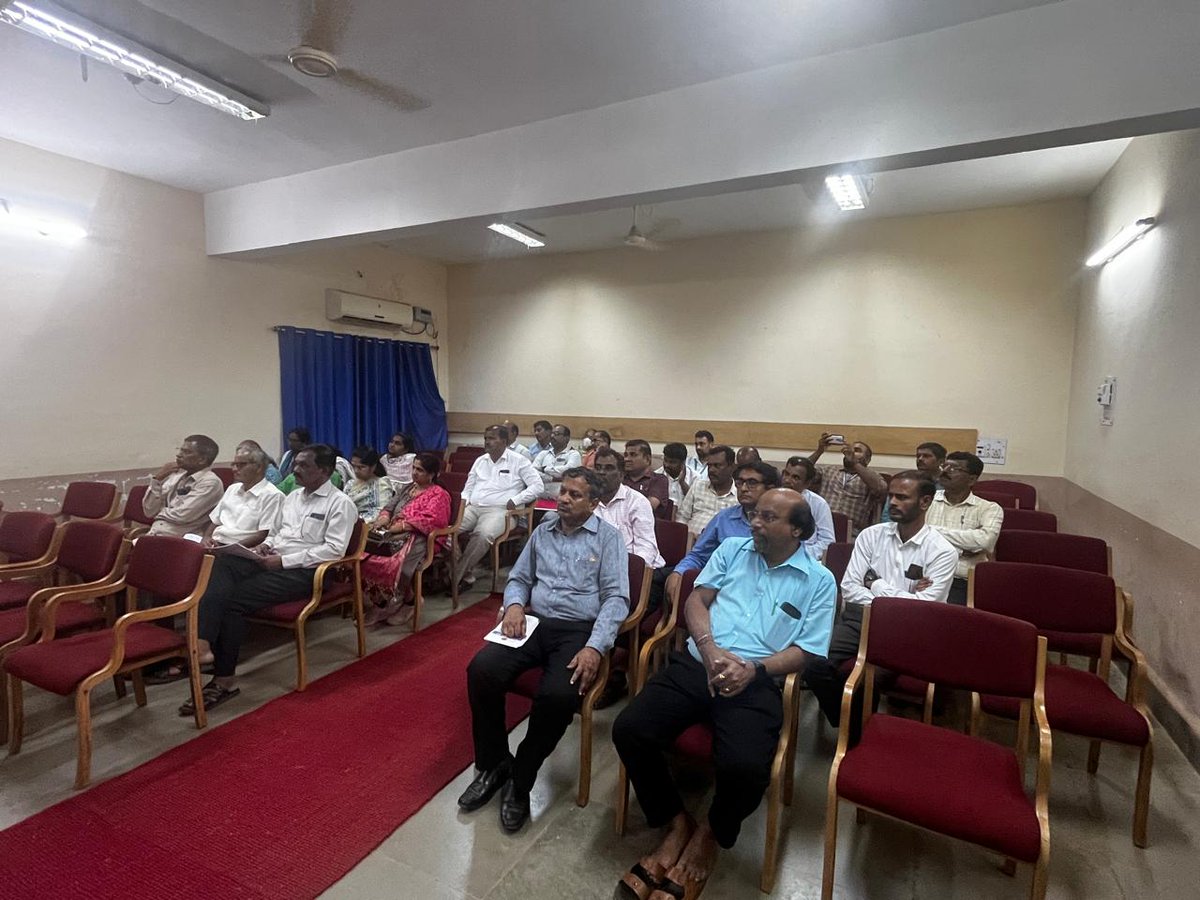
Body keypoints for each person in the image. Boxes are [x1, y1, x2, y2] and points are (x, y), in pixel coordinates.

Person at [612, 489, 835, 900]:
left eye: (768, 518)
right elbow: (697, 600)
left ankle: (711, 833)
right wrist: (710, 648)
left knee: (746, 768)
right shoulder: (733, 549)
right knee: (629, 729)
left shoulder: (819, 581)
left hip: (756, 680)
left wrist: (755, 669)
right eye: (755, 515)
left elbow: (808, 650)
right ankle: (675, 822)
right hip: (698, 663)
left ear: (798, 530)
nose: (755, 523)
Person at [460, 468, 629, 833]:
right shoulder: (543, 530)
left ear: (594, 503)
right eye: (563, 491)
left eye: (575, 495)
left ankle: (521, 777)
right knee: (482, 670)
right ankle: (494, 763)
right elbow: (520, 578)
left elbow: (617, 598)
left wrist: (595, 647)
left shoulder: (608, 539)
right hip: (534, 622)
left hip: (578, 630)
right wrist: (515, 605)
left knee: (557, 696)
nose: (564, 499)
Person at [180, 444, 357, 714]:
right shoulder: (293, 497)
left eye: (304, 465)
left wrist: (284, 561)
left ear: (324, 471)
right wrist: (266, 546)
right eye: (295, 463)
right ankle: (204, 643)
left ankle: (222, 676)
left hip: (307, 572)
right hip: (273, 560)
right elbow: (278, 534)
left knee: (232, 601)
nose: (295, 469)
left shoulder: (340, 503)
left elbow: (334, 550)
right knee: (221, 563)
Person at [803, 471, 959, 730]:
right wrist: (904, 597)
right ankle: (848, 725)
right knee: (813, 663)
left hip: (907, 631)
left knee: (868, 680)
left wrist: (875, 584)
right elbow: (850, 588)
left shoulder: (942, 551)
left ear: (925, 502)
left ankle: (855, 735)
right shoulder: (870, 536)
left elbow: (922, 607)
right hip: (858, 621)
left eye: (902, 497)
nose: (893, 502)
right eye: (891, 496)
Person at [361, 451, 453, 626]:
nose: (414, 473)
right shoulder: (408, 488)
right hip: (392, 534)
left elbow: (433, 521)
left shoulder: (439, 494)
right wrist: (384, 518)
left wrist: (403, 526)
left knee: (398, 567)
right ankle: (382, 602)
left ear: (432, 474)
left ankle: (409, 602)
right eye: (414, 468)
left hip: (421, 537)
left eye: (420, 470)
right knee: (366, 559)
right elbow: (389, 507)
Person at [454, 425, 544, 590]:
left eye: (492, 438)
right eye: (485, 438)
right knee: (446, 532)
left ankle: (454, 578)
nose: (487, 442)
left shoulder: (518, 460)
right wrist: (463, 504)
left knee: (482, 535)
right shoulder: (480, 461)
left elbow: (538, 486)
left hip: (501, 512)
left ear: (504, 441)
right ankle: (464, 575)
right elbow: (468, 488)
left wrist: (517, 499)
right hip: (473, 508)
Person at [924, 451, 1004, 606]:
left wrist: (930, 531)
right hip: (925, 575)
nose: (945, 471)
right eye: (944, 466)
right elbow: (914, 535)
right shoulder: (927, 500)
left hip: (962, 581)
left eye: (953, 468)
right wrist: (963, 549)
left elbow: (985, 541)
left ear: (972, 479)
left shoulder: (989, 508)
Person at [808, 432, 888, 538]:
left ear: (867, 460)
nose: (851, 452)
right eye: (850, 449)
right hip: (819, 528)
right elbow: (802, 471)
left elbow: (880, 488)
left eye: (857, 450)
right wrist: (819, 451)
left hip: (851, 533)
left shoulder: (872, 477)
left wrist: (855, 463)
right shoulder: (828, 470)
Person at [143, 434, 224, 537]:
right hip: (156, 533)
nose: (179, 455)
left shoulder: (210, 482)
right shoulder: (177, 476)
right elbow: (149, 511)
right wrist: (158, 478)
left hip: (181, 539)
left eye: (186, 452)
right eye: (180, 450)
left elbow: (181, 515)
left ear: (202, 460)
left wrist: (158, 512)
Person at [205, 445, 284, 549]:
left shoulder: (273, 495)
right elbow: (215, 521)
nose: (234, 469)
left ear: (259, 467)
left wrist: (230, 548)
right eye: (234, 464)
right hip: (217, 543)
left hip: (242, 548)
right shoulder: (232, 488)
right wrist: (206, 537)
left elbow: (263, 534)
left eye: (241, 465)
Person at [779, 456, 836, 559]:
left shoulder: (818, 504)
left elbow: (827, 542)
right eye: (786, 474)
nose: (787, 480)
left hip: (807, 558)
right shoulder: (770, 499)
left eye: (795, 478)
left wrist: (800, 555)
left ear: (807, 483)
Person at [675, 445, 738, 537]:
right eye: (709, 465)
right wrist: (684, 536)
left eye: (717, 466)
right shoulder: (698, 485)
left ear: (731, 467)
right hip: (689, 541)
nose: (711, 470)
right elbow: (682, 517)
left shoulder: (739, 495)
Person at [345, 445, 395, 522]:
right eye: (353, 466)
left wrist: (355, 520)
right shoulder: (350, 483)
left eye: (361, 467)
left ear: (373, 467)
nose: (356, 471)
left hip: (365, 525)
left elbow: (380, 512)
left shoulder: (381, 484)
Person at [623, 439, 670, 516]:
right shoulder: (619, 478)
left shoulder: (659, 480)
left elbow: (648, 507)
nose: (626, 459)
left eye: (633, 455)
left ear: (647, 459)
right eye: (625, 455)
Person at [533, 424, 582, 497]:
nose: (552, 436)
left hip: (562, 499)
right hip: (541, 498)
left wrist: (545, 469)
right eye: (552, 433)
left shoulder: (573, 454)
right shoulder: (543, 454)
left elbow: (569, 472)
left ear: (567, 438)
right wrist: (551, 478)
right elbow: (533, 472)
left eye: (556, 434)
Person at [656, 442, 690, 507]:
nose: (667, 465)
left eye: (672, 462)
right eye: (665, 460)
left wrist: (682, 483)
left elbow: (695, 501)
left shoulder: (695, 477)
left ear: (683, 462)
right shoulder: (656, 475)